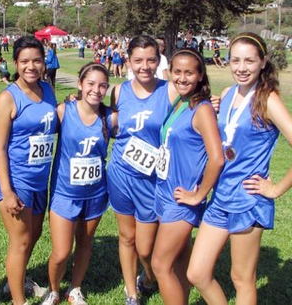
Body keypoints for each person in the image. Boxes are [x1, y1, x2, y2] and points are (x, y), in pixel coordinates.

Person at [187, 32, 292, 305]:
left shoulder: (268, 99)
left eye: (249, 61)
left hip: (248, 199)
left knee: (241, 278)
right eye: (235, 60)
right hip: (221, 196)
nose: (241, 68)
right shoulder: (227, 93)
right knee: (197, 273)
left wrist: (276, 188)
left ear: (263, 62)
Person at [151, 48, 224, 305]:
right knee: (179, 258)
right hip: (164, 191)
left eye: (189, 73)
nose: (182, 78)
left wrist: (199, 194)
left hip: (181, 200)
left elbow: (217, 158)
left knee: (160, 264)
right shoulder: (180, 102)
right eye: (177, 72)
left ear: (200, 75)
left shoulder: (202, 109)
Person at [41, 63, 116, 305]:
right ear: (80, 84)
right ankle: (53, 290)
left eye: (102, 85)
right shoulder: (64, 111)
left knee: (84, 245)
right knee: (61, 252)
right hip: (65, 194)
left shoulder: (110, 117)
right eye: (91, 84)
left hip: (96, 194)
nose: (96, 89)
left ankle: (74, 289)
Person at [0, 36, 57, 305]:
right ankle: (19, 301)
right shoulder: (9, 98)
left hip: (41, 179)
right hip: (16, 180)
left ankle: (16, 281)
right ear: (16, 63)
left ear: (44, 62)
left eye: (37, 60)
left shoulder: (47, 89)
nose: (31, 66)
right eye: (25, 61)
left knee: (35, 235)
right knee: (20, 241)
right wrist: (7, 191)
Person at [107, 35, 172, 305]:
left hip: (152, 179)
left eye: (151, 60)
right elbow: (105, 119)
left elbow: (197, 110)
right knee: (127, 236)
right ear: (128, 60)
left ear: (158, 61)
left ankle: (147, 276)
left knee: (145, 247)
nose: (145, 66)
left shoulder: (170, 91)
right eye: (138, 60)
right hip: (120, 175)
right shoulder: (118, 91)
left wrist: (212, 102)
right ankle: (131, 293)